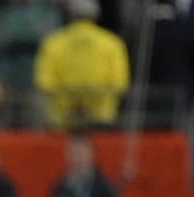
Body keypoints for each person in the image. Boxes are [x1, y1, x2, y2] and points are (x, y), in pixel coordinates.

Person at [33, 0, 129, 130]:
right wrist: (94, 103)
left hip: (63, 119)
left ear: (69, 14)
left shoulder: (53, 43)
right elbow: (119, 82)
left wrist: (69, 102)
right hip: (101, 118)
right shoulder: (112, 43)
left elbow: (44, 81)